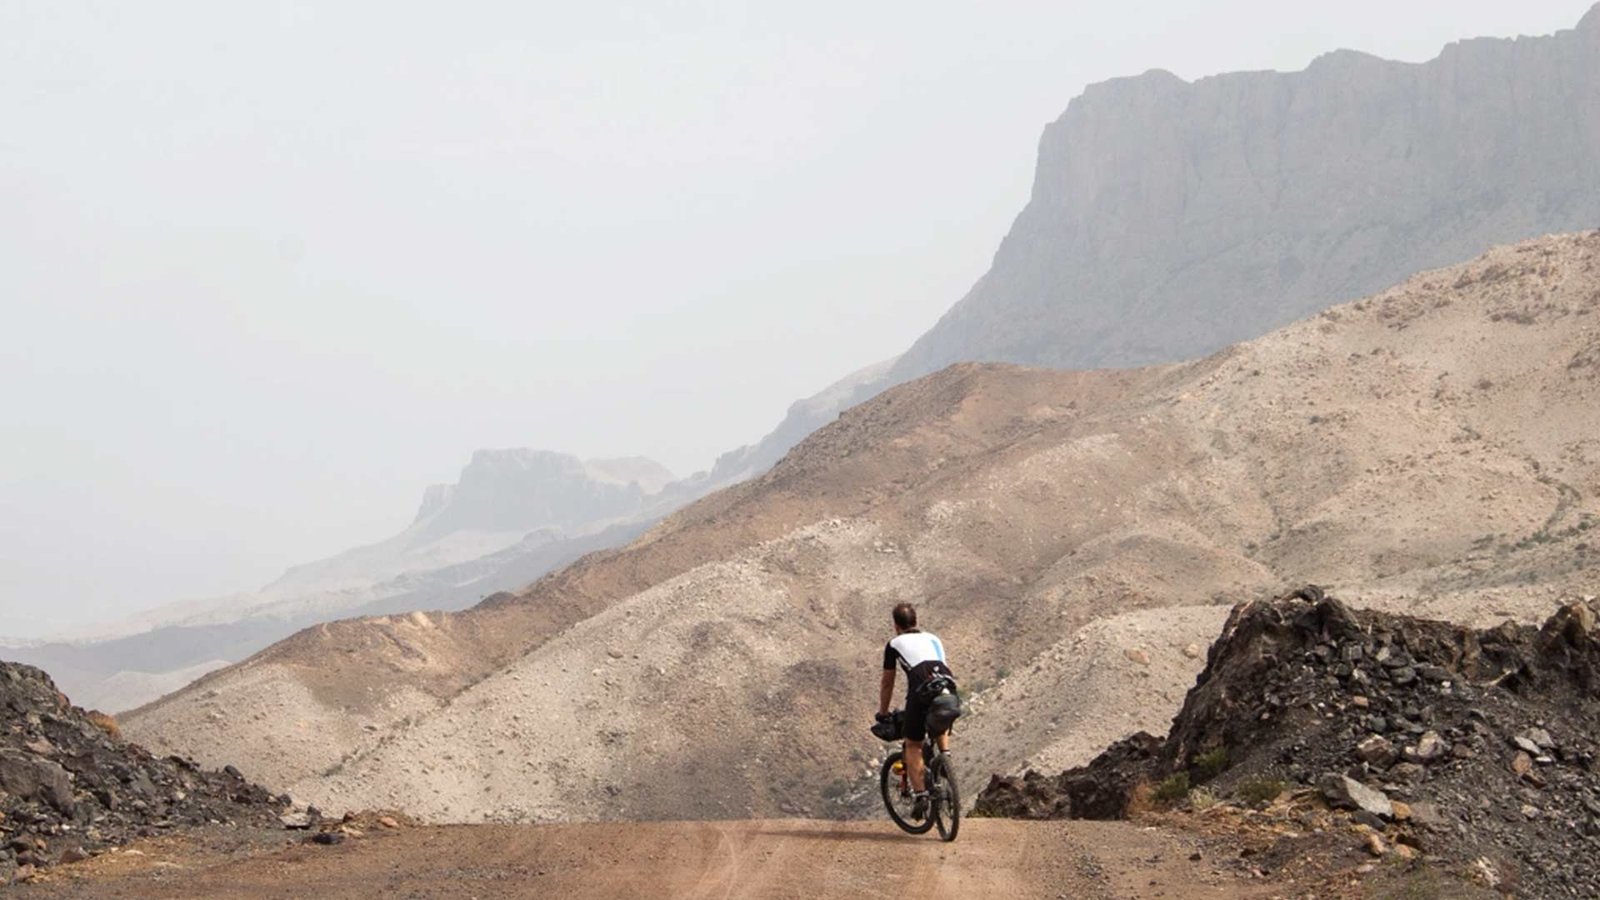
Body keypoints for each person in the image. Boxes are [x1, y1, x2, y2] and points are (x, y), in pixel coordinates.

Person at [877, 602, 956, 818]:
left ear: (895, 625)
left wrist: (883, 713)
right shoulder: (933, 639)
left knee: (913, 744)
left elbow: (887, 682)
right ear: (916, 621)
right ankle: (946, 759)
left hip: (921, 690)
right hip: (949, 689)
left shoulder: (894, 643)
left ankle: (921, 795)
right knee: (938, 716)